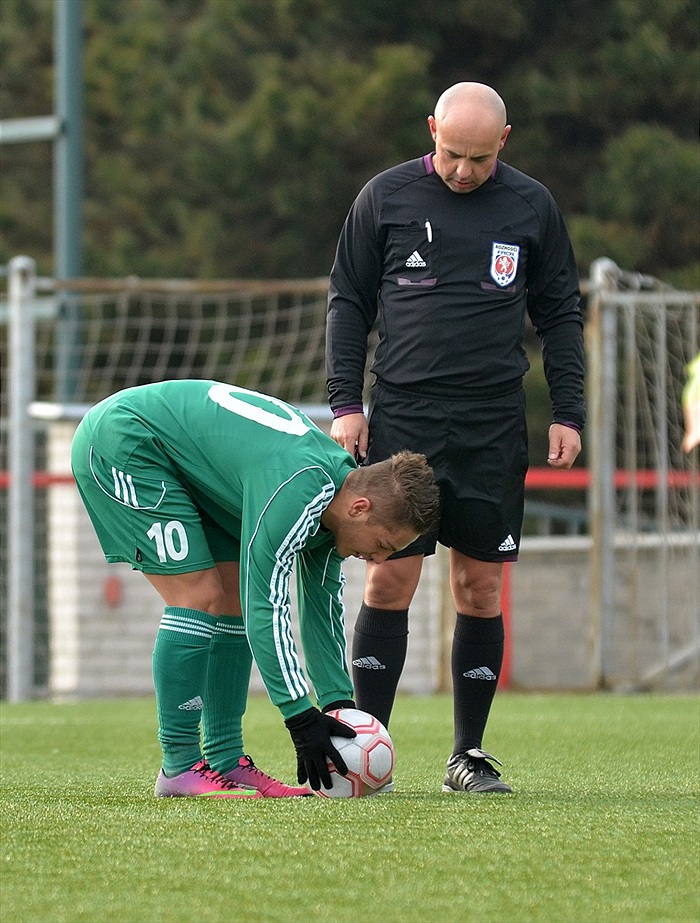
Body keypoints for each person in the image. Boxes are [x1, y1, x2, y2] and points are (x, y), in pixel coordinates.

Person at [326, 82, 585, 793]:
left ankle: (467, 754)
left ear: (503, 142)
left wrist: (569, 411)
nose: (462, 170)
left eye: (477, 158)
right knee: (391, 575)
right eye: (450, 153)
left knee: (479, 585)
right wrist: (345, 401)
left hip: (492, 423)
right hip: (404, 417)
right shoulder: (384, 197)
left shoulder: (530, 205)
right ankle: (361, 753)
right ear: (431, 129)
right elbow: (348, 298)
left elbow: (561, 311)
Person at [70, 379, 439, 798]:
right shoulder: (297, 490)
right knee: (199, 596)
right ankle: (180, 767)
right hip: (127, 441)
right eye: (383, 546)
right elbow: (267, 601)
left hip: (187, 468)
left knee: (230, 605)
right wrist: (300, 717)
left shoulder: (336, 500)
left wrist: (337, 703)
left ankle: (226, 760)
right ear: (360, 509)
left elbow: (322, 610)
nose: (376, 560)